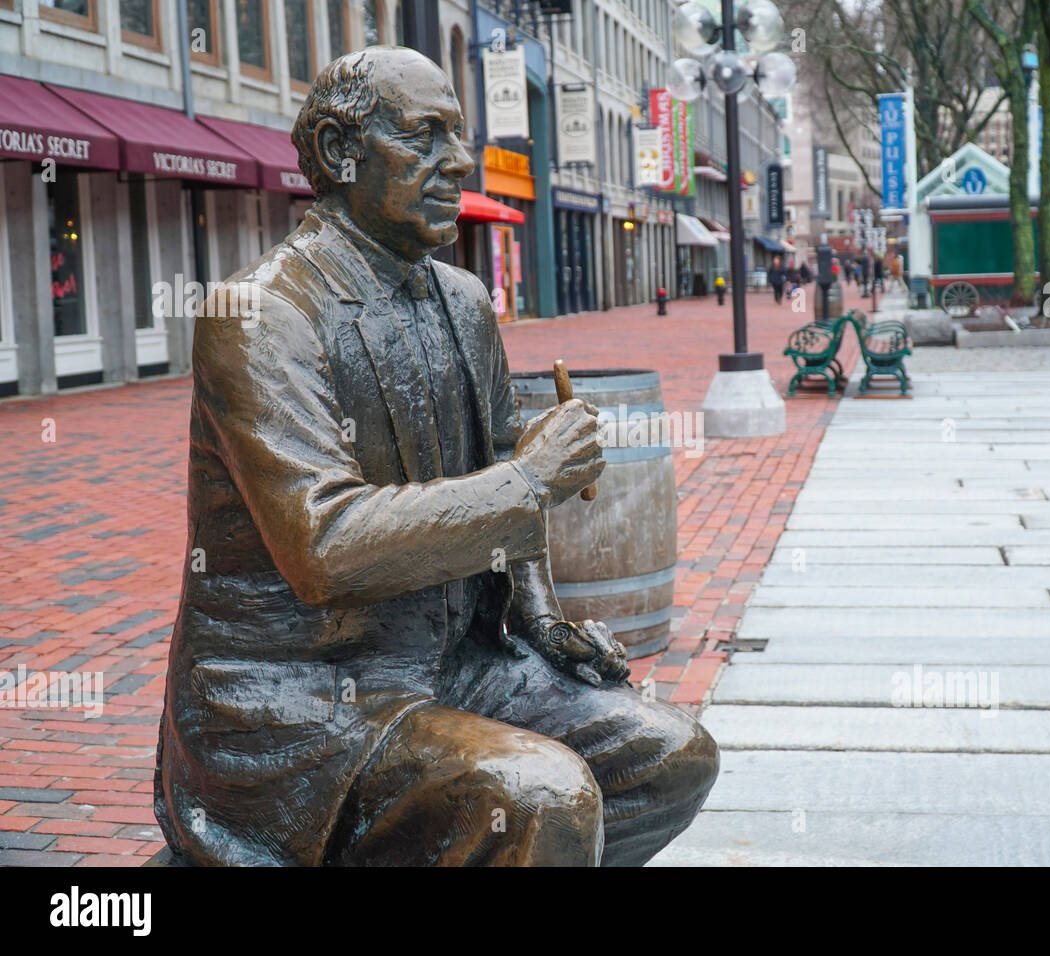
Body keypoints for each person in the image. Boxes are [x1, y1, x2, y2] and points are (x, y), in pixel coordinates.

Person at [153, 46, 717, 868]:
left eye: (458, 133)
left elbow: (497, 470)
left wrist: (541, 617)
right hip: (301, 698)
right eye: (425, 135)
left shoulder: (460, 298)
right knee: (542, 796)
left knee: (673, 757)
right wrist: (531, 478)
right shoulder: (260, 315)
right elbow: (324, 547)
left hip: (457, 664)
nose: (458, 160)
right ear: (344, 151)